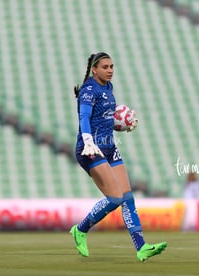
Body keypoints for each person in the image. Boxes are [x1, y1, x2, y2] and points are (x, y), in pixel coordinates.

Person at [69, 52, 167, 262]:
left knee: (127, 198)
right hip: (91, 148)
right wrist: (88, 140)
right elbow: (84, 116)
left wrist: (121, 125)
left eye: (112, 66)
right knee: (115, 198)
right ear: (94, 69)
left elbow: (102, 118)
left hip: (109, 146)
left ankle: (141, 247)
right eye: (105, 67)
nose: (110, 70)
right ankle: (80, 229)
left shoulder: (108, 88)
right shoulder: (89, 90)